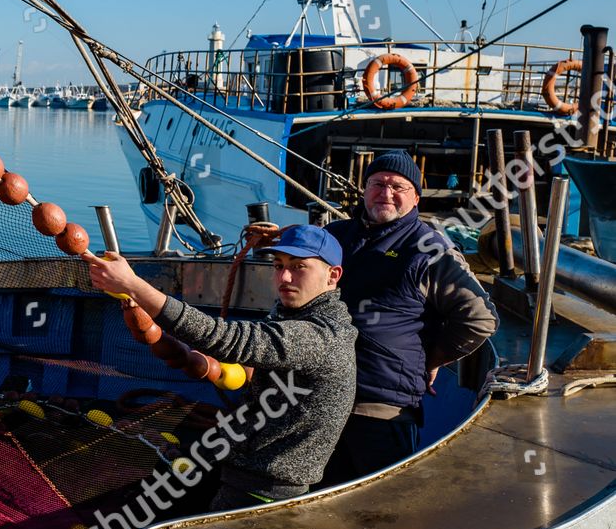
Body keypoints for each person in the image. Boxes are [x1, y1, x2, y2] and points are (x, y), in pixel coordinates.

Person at [87, 225, 357, 510]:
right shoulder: (294, 315)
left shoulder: (321, 336)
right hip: (243, 470)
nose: (284, 277)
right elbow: (266, 363)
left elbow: (225, 339)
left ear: (333, 275)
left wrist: (133, 286)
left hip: (264, 495)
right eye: (279, 266)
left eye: (299, 266)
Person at [322, 151, 498, 484]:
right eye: (377, 184)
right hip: (320, 400)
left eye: (397, 186)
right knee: (313, 506)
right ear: (364, 189)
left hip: (379, 410)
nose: (385, 193)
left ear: (415, 197)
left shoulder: (428, 249)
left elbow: (480, 318)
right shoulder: (335, 236)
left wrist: (430, 358)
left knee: (382, 511)